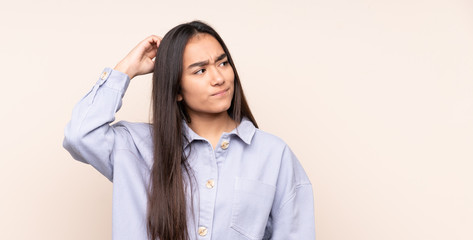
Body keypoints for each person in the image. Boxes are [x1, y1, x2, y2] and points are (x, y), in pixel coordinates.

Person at [62, 20, 315, 240]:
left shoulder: (273, 154)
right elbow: (80, 135)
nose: (219, 78)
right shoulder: (137, 147)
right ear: (177, 90)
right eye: (201, 70)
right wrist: (125, 69)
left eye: (223, 63)